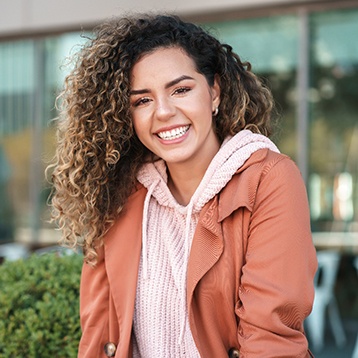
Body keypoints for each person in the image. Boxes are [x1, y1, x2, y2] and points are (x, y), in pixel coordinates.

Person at [49, 13, 317, 358]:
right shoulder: (119, 192)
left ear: (214, 92)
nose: (163, 111)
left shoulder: (268, 179)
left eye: (181, 89)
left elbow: (271, 337)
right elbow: (99, 333)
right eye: (142, 100)